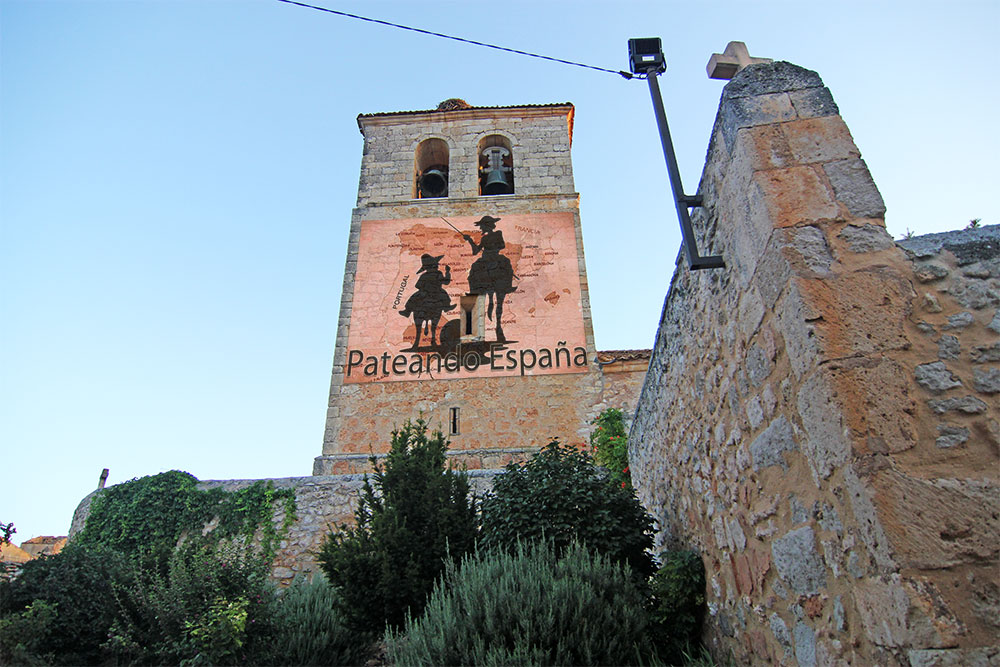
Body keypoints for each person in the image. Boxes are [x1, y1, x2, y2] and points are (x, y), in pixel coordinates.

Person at [463, 215, 513, 299]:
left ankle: (507, 286)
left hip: (495, 257)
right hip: (485, 258)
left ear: (487, 226)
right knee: (474, 269)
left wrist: (491, 250)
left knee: (506, 263)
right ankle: (473, 291)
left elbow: (502, 245)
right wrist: (470, 240)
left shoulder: (498, 234)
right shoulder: (484, 238)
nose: (480, 228)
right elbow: (475, 251)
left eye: (482, 226)